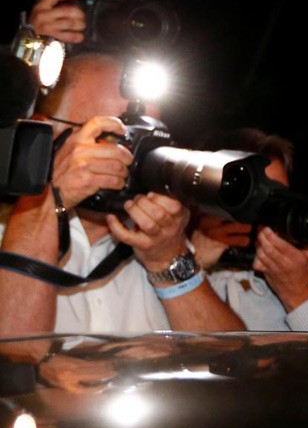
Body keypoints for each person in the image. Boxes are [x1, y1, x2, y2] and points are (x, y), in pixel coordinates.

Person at [0, 50, 245, 334]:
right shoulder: (6, 234)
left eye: (149, 138)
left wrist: (168, 260)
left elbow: (230, 357)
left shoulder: (158, 243)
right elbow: (16, 356)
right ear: (46, 134)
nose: (135, 156)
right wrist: (48, 201)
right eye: (117, 136)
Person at [189, 127, 308, 332]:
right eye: (251, 196)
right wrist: (187, 264)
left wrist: (299, 297)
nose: (267, 208)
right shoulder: (168, 261)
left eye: (278, 194)